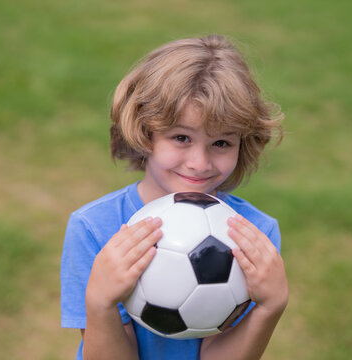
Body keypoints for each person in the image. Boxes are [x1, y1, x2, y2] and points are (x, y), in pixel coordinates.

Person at [61, 34, 288, 360]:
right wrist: (100, 303)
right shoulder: (94, 228)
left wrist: (271, 307)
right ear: (144, 131)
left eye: (221, 143)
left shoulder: (254, 234)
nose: (199, 163)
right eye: (181, 137)